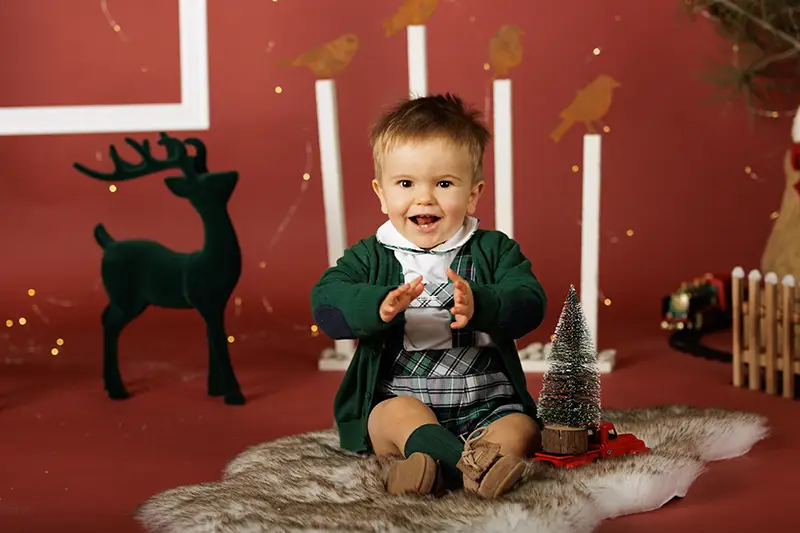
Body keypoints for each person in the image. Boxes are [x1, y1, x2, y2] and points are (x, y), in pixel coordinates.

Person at [310, 93, 547, 499]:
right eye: (405, 184)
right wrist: (375, 305)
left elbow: (530, 302)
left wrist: (483, 303)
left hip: (485, 401)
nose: (424, 198)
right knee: (390, 417)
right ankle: (469, 468)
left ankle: (425, 470)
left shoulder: (494, 250)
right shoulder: (371, 255)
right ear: (382, 194)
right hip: (406, 397)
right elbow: (327, 302)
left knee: (522, 429)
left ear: (473, 194)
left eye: (443, 183)